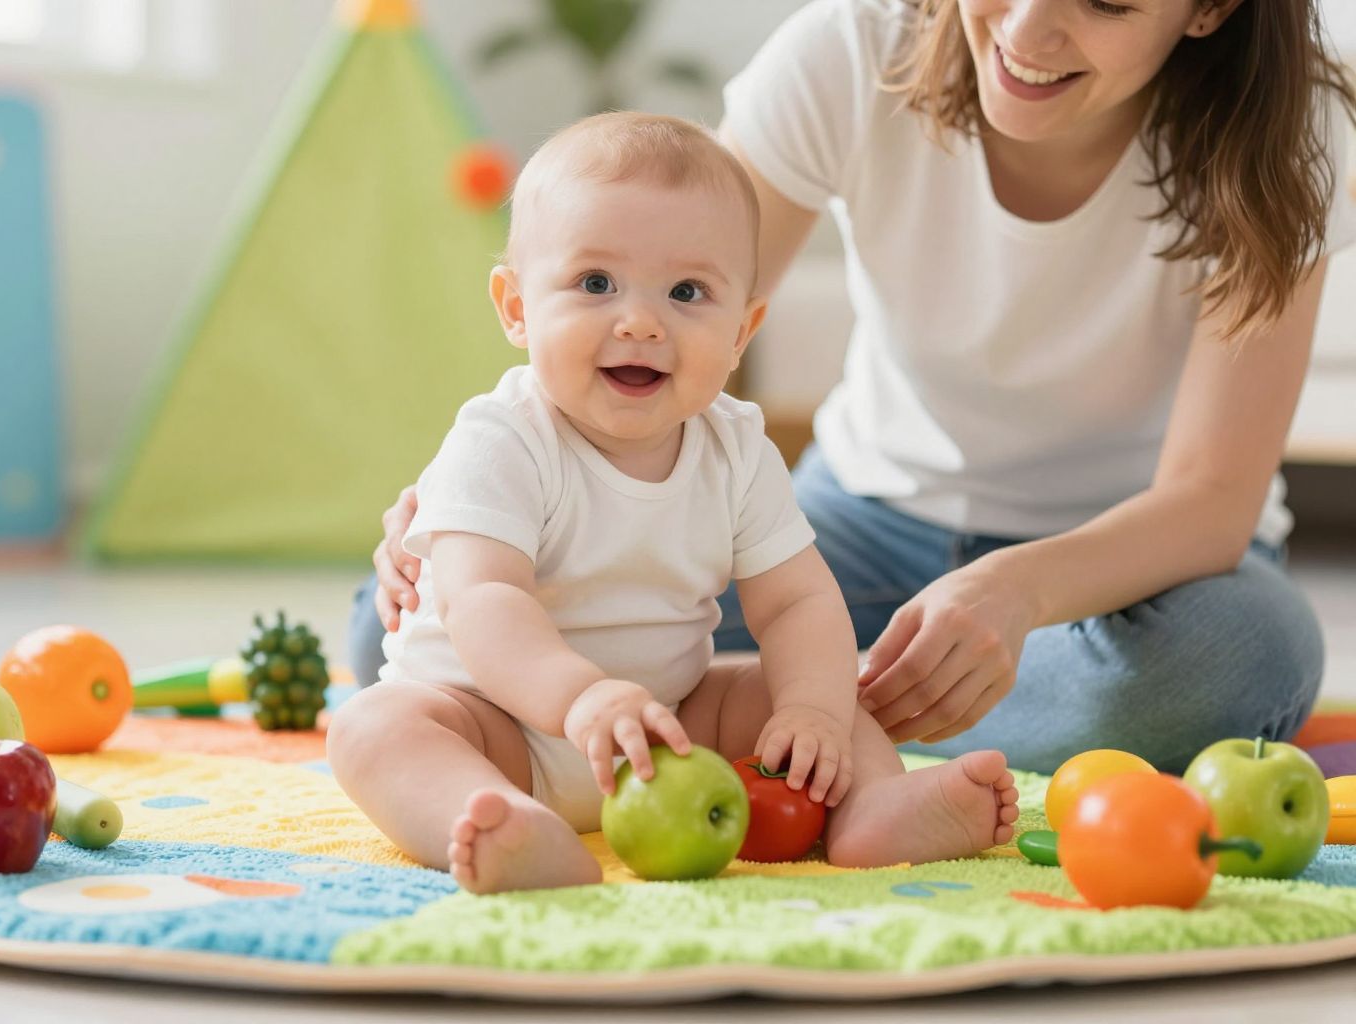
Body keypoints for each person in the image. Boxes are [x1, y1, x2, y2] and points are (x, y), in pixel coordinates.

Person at [352, 0, 1355, 775]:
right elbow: (657, 304)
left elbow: (1210, 501)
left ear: (1209, 10)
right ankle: (824, 718)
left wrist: (1019, 590)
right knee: (401, 629)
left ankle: (817, 719)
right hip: (861, 526)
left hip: (1126, 571)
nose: (1026, 32)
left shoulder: (1292, 130)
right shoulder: (852, 50)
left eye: (1104, 3)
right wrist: (494, 492)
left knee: (1239, 659)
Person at [327, 112, 1019, 895]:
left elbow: (797, 602)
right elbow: (483, 599)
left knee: (806, 690)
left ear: (742, 330)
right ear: (516, 307)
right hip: (499, 726)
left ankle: (874, 809)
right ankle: (501, 823)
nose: (641, 322)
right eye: (596, 284)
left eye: (687, 292)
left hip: (672, 724)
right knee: (374, 725)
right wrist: (579, 698)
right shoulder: (502, 438)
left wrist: (814, 712)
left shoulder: (736, 447)